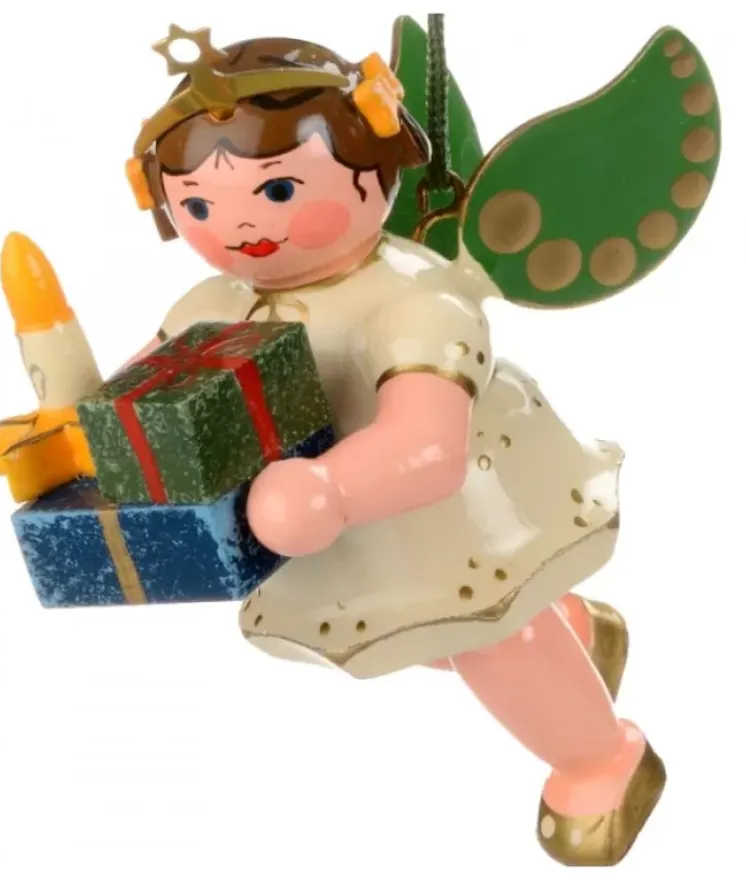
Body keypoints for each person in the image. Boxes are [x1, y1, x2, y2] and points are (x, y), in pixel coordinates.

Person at [125, 27, 664, 866]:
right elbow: (149, 393)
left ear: (376, 168)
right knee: (417, 633)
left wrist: (330, 492)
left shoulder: (411, 300)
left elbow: (427, 443)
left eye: (277, 190)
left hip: (450, 514)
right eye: (197, 206)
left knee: (485, 633)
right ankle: (575, 633)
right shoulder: (213, 303)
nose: (239, 224)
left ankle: (601, 760)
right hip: (327, 527)